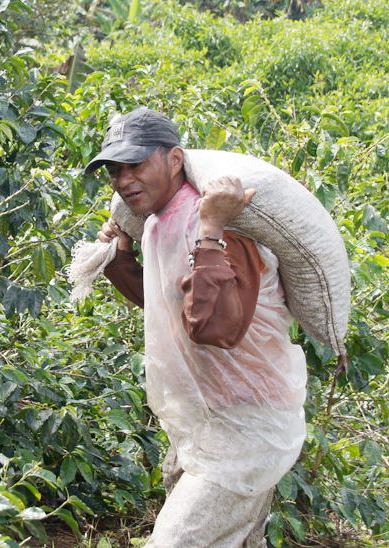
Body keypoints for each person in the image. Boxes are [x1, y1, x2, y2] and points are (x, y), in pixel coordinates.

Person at [85, 108, 308, 548]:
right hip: (200, 422)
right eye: (114, 170)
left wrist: (211, 227)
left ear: (174, 160)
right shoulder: (157, 223)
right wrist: (121, 258)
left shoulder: (225, 225)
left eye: (135, 164)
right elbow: (169, 304)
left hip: (247, 426)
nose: (123, 180)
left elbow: (215, 328)